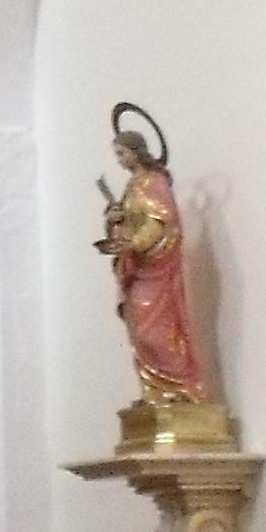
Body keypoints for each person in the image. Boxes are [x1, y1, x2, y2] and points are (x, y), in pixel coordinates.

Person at [95, 107, 213, 407]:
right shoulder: (132, 187)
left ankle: (181, 389)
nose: (119, 160)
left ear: (137, 152)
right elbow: (131, 222)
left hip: (155, 267)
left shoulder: (154, 182)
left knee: (156, 331)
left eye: (122, 154)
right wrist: (115, 218)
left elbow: (162, 223)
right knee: (138, 329)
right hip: (136, 268)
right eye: (117, 155)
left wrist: (133, 244)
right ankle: (156, 392)